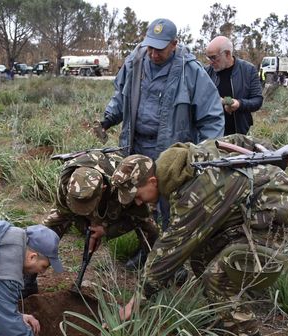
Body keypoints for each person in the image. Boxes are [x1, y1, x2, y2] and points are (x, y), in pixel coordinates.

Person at [110, 135, 288, 336]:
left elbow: (169, 252)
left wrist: (135, 302)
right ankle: (227, 313)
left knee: (218, 277)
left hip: (280, 214)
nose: (139, 202)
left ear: (152, 181)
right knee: (201, 254)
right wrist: (273, 154)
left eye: (137, 196)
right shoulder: (185, 160)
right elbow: (238, 140)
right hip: (251, 209)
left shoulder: (195, 193)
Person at [93, 18, 224, 234]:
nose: (153, 54)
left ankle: (168, 257)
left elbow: (211, 116)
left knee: (169, 204)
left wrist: (203, 154)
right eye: (150, 47)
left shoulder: (189, 70)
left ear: (174, 44)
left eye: (160, 49)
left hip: (171, 152)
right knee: (138, 202)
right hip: (135, 146)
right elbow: (120, 96)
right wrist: (108, 119)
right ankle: (145, 249)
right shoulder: (134, 63)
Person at [23, 150, 159, 295]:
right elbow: (64, 212)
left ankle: (159, 271)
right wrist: (89, 226)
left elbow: (138, 216)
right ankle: (28, 278)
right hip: (83, 201)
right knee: (46, 232)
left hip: (115, 200)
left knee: (149, 227)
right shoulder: (66, 183)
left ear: (103, 189)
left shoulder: (121, 183)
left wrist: (105, 229)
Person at [205, 36, 264, 136]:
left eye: (214, 57)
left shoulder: (248, 70)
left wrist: (239, 104)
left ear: (227, 54)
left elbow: (257, 100)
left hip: (238, 132)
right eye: (208, 57)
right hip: (212, 133)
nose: (210, 62)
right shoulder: (206, 72)